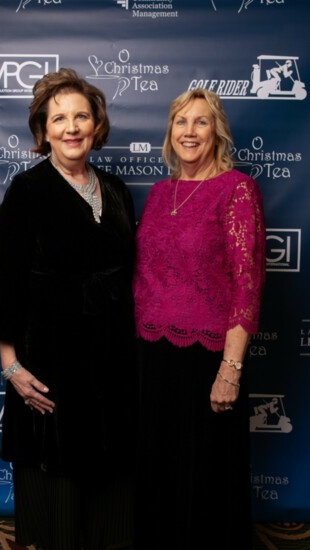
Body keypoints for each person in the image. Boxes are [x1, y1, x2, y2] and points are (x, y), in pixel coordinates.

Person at [0, 68, 138, 550]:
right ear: (43, 131)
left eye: (82, 117)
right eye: (60, 119)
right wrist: (12, 368)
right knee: (59, 510)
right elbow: (3, 287)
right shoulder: (26, 192)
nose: (72, 128)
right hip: (49, 366)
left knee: (109, 501)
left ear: (97, 126)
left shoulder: (116, 189)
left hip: (109, 365)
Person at [133, 88, 266, 549]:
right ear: (170, 132)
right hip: (153, 353)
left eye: (201, 122)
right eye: (181, 122)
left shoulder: (237, 190)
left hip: (208, 357)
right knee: (159, 468)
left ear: (217, 133)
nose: (190, 132)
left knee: (206, 473)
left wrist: (230, 370)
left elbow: (247, 285)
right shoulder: (158, 193)